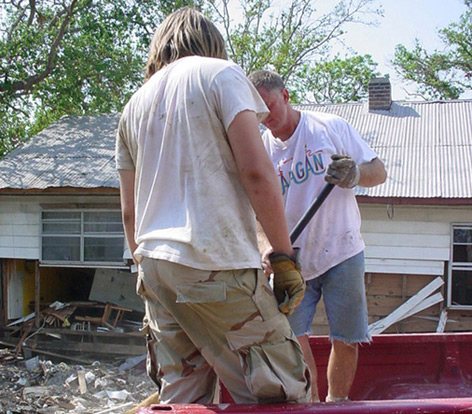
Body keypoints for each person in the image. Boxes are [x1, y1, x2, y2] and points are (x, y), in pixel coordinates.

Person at [115, 8, 311, 405]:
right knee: (282, 391)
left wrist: (150, 274)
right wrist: (284, 256)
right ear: (212, 44)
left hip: (154, 265)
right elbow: (256, 173)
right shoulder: (220, 74)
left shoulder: (133, 106)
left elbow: (129, 214)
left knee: (183, 396)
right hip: (212, 263)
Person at [248, 70, 387, 403]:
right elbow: (254, 211)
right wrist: (266, 247)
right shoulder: (261, 149)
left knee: (347, 337)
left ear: (285, 96)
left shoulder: (329, 128)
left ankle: (336, 405)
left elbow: (378, 171)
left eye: (269, 107)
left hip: (343, 251)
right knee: (292, 340)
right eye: (259, 113)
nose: (266, 119)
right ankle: (310, 406)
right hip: (293, 260)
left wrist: (355, 174)